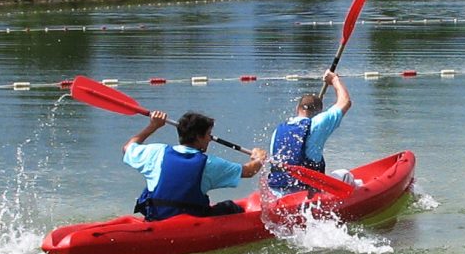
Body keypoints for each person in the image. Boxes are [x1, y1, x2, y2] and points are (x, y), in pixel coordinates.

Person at [124, 110, 268, 221]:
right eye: (208, 135)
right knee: (230, 207)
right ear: (199, 137)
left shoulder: (157, 152)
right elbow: (249, 171)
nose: (210, 139)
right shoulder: (209, 163)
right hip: (190, 221)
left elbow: (128, 147)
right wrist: (259, 158)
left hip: (156, 219)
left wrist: (153, 126)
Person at [267, 70, 352, 192]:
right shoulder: (317, 123)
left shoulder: (278, 131)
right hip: (306, 194)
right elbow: (345, 102)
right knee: (345, 175)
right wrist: (334, 80)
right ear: (319, 112)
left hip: (277, 192)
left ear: (297, 108)